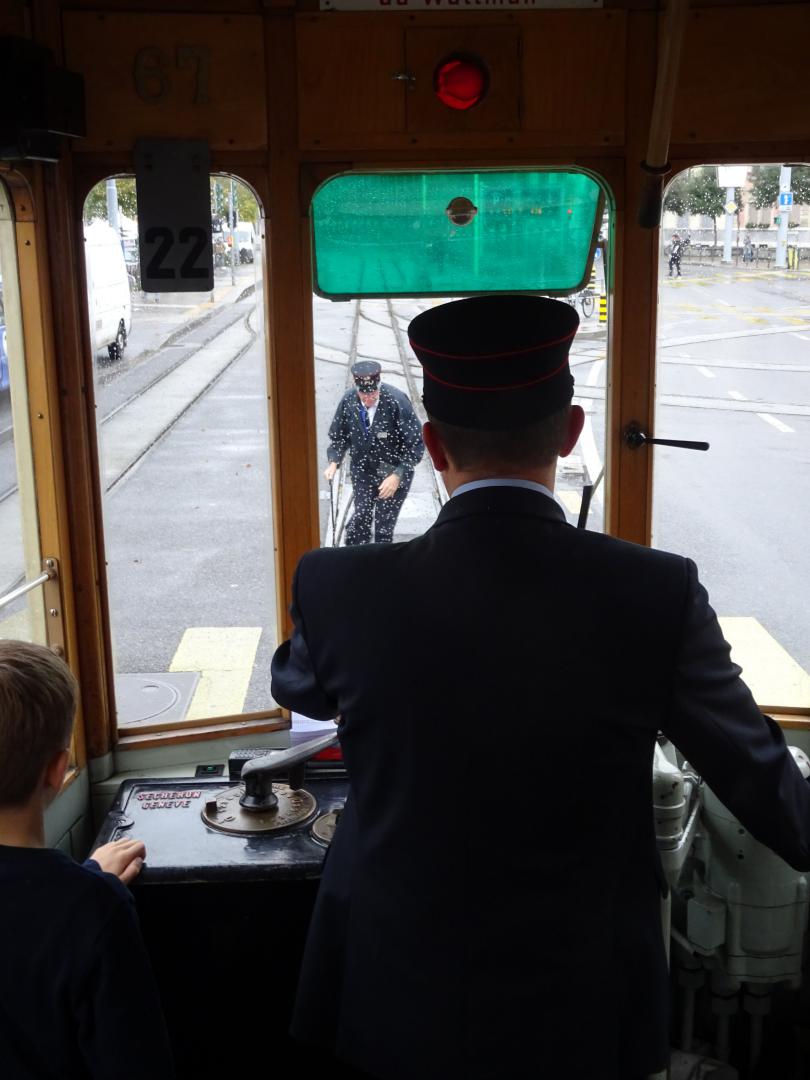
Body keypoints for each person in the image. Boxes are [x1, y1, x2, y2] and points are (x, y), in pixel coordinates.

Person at [271, 295, 810, 1080]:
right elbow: (762, 780)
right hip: (584, 1000)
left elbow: (299, 684)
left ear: (432, 445)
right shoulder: (655, 593)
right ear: (571, 431)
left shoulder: (339, 587)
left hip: (399, 985)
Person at [0, 639, 175, 1079]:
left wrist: (89, 879)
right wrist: (89, 886)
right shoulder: (91, 909)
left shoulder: (84, 900)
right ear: (58, 770)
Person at [324, 360, 424, 545]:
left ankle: (381, 559)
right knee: (361, 516)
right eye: (363, 394)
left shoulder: (397, 401)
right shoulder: (348, 401)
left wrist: (397, 475)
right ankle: (354, 555)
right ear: (356, 388)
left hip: (392, 470)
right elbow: (339, 436)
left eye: (373, 394)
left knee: (384, 527)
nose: (368, 399)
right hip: (363, 470)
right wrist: (334, 461)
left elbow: (416, 444)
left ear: (379, 386)